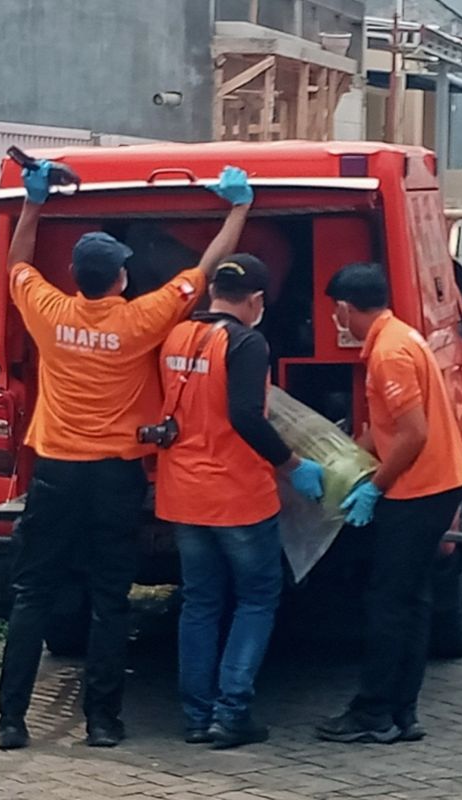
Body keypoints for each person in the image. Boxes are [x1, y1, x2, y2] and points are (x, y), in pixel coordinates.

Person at [0, 162, 253, 750]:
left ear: (76, 277)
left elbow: (17, 266)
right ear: (119, 279)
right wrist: (238, 208)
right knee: (111, 599)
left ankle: (11, 721)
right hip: (114, 476)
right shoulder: (141, 320)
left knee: (33, 596)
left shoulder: (48, 312)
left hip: (55, 474)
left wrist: (32, 205)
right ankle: (102, 721)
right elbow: (207, 271)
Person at [154, 254, 325, 749]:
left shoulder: (177, 335)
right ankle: (231, 714)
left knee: (200, 602)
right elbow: (247, 416)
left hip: (184, 493)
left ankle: (195, 716)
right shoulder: (247, 342)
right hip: (237, 497)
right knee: (255, 598)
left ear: (213, 293)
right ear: (255, 301)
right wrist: (293, 465)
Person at [316, 263, 462, 744]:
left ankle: (375, 712)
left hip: (417, 489)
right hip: (436, 483)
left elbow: (412, 435)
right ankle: (402, 712)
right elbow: (386, 428)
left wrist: (374, 487)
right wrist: (345, 457)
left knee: (387, 602)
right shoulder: (402, 336)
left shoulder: (389, 353)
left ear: (345, 308)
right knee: (412, 599)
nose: (335, 321)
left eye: (335, 312)